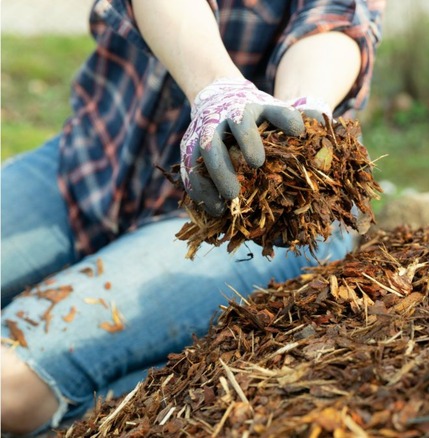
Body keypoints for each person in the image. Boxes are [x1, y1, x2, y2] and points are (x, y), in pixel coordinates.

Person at [0, 0, 384, 434]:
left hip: (249, 220)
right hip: (93, 160)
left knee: (10, 386)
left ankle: (144, 390)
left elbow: (334, 21)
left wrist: (303, 107)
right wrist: (218, 90)